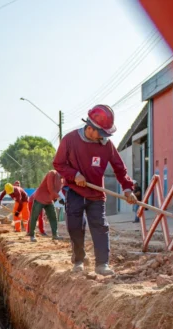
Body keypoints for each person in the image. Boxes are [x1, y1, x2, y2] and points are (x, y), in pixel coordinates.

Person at [53, 104, 137, 276]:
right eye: (102, 132)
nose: (104, 137)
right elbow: (58, 164)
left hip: (97, 194)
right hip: (75, 191)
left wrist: (128, 188)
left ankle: (102, 264)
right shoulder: (70, 140)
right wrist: (74, 174)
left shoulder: (107, 145)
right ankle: (79, 260)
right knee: (75, 227)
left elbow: (120, 169)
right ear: (90, 128)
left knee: (100, 226)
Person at [28, 170, 64, 242]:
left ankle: (55, 235)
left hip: (49, 200)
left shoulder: (61, 180)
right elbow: (50, 188)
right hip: (40, 198)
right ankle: (32, 235)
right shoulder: (52, 173)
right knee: (34, 217)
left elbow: (56, 191)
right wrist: (59, 198)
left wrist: (56, 199)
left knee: (53, 217)